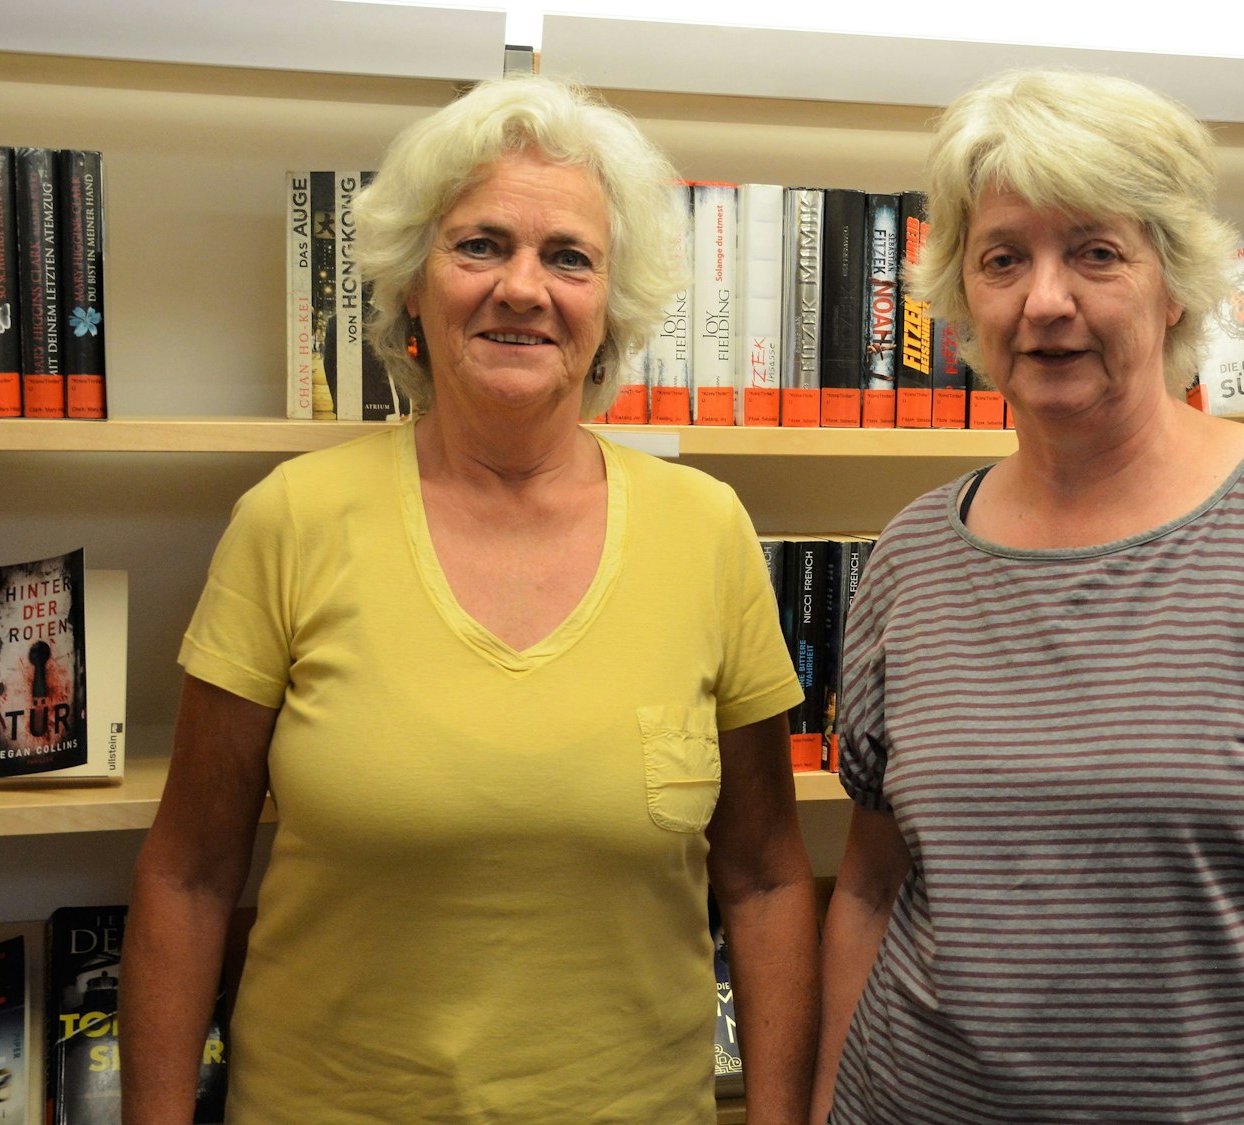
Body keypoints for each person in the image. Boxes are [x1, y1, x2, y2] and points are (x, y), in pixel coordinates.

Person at [122, 76, 818, 1125]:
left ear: (611, 303)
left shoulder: (706, 531)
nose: (521, 288)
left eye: (567, 256)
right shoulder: (290, 522)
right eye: (479, 245)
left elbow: (765, 878)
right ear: (413, 284)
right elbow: (187, 875)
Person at [810, 69, 1244, 1125]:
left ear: (1172, 280)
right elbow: (870, 888)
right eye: (1003, 259)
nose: (1045, 301)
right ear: (960, 294)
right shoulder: (909, 560)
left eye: (1094, 252)